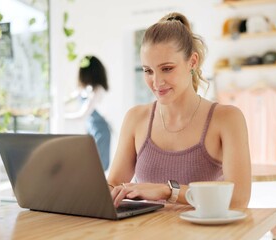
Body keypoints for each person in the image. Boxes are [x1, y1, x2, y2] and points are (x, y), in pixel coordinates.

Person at [107, 12, 251, 208]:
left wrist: (169, 190)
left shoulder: (227, 119)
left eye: (167, 68)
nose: (156, 82)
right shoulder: (136, 118)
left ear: (192, 61)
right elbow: (113, 185)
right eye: (148, 71)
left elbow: (238, 199)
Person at [65, 56, 111, 171]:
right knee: (88, 165)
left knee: (96, 167)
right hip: (91, 132)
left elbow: (82, 115)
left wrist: (60, 116)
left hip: (100, 132)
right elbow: (66, 101)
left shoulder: (97, 90)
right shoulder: (84, 91)